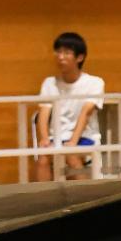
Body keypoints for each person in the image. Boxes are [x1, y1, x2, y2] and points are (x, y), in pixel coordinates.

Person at [34, 31, 105, 182]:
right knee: (43, 158)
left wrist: (73, 140)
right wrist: (45, 138)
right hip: (57, 137)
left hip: (85, 137)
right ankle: (44, 200)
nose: (60, 57)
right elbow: (43, 113)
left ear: (80, 57)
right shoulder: (49, 83)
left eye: (66, 53)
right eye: (58, 52)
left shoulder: (95, 82)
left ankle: (84, 201)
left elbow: (86, 113)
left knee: (71, 156)